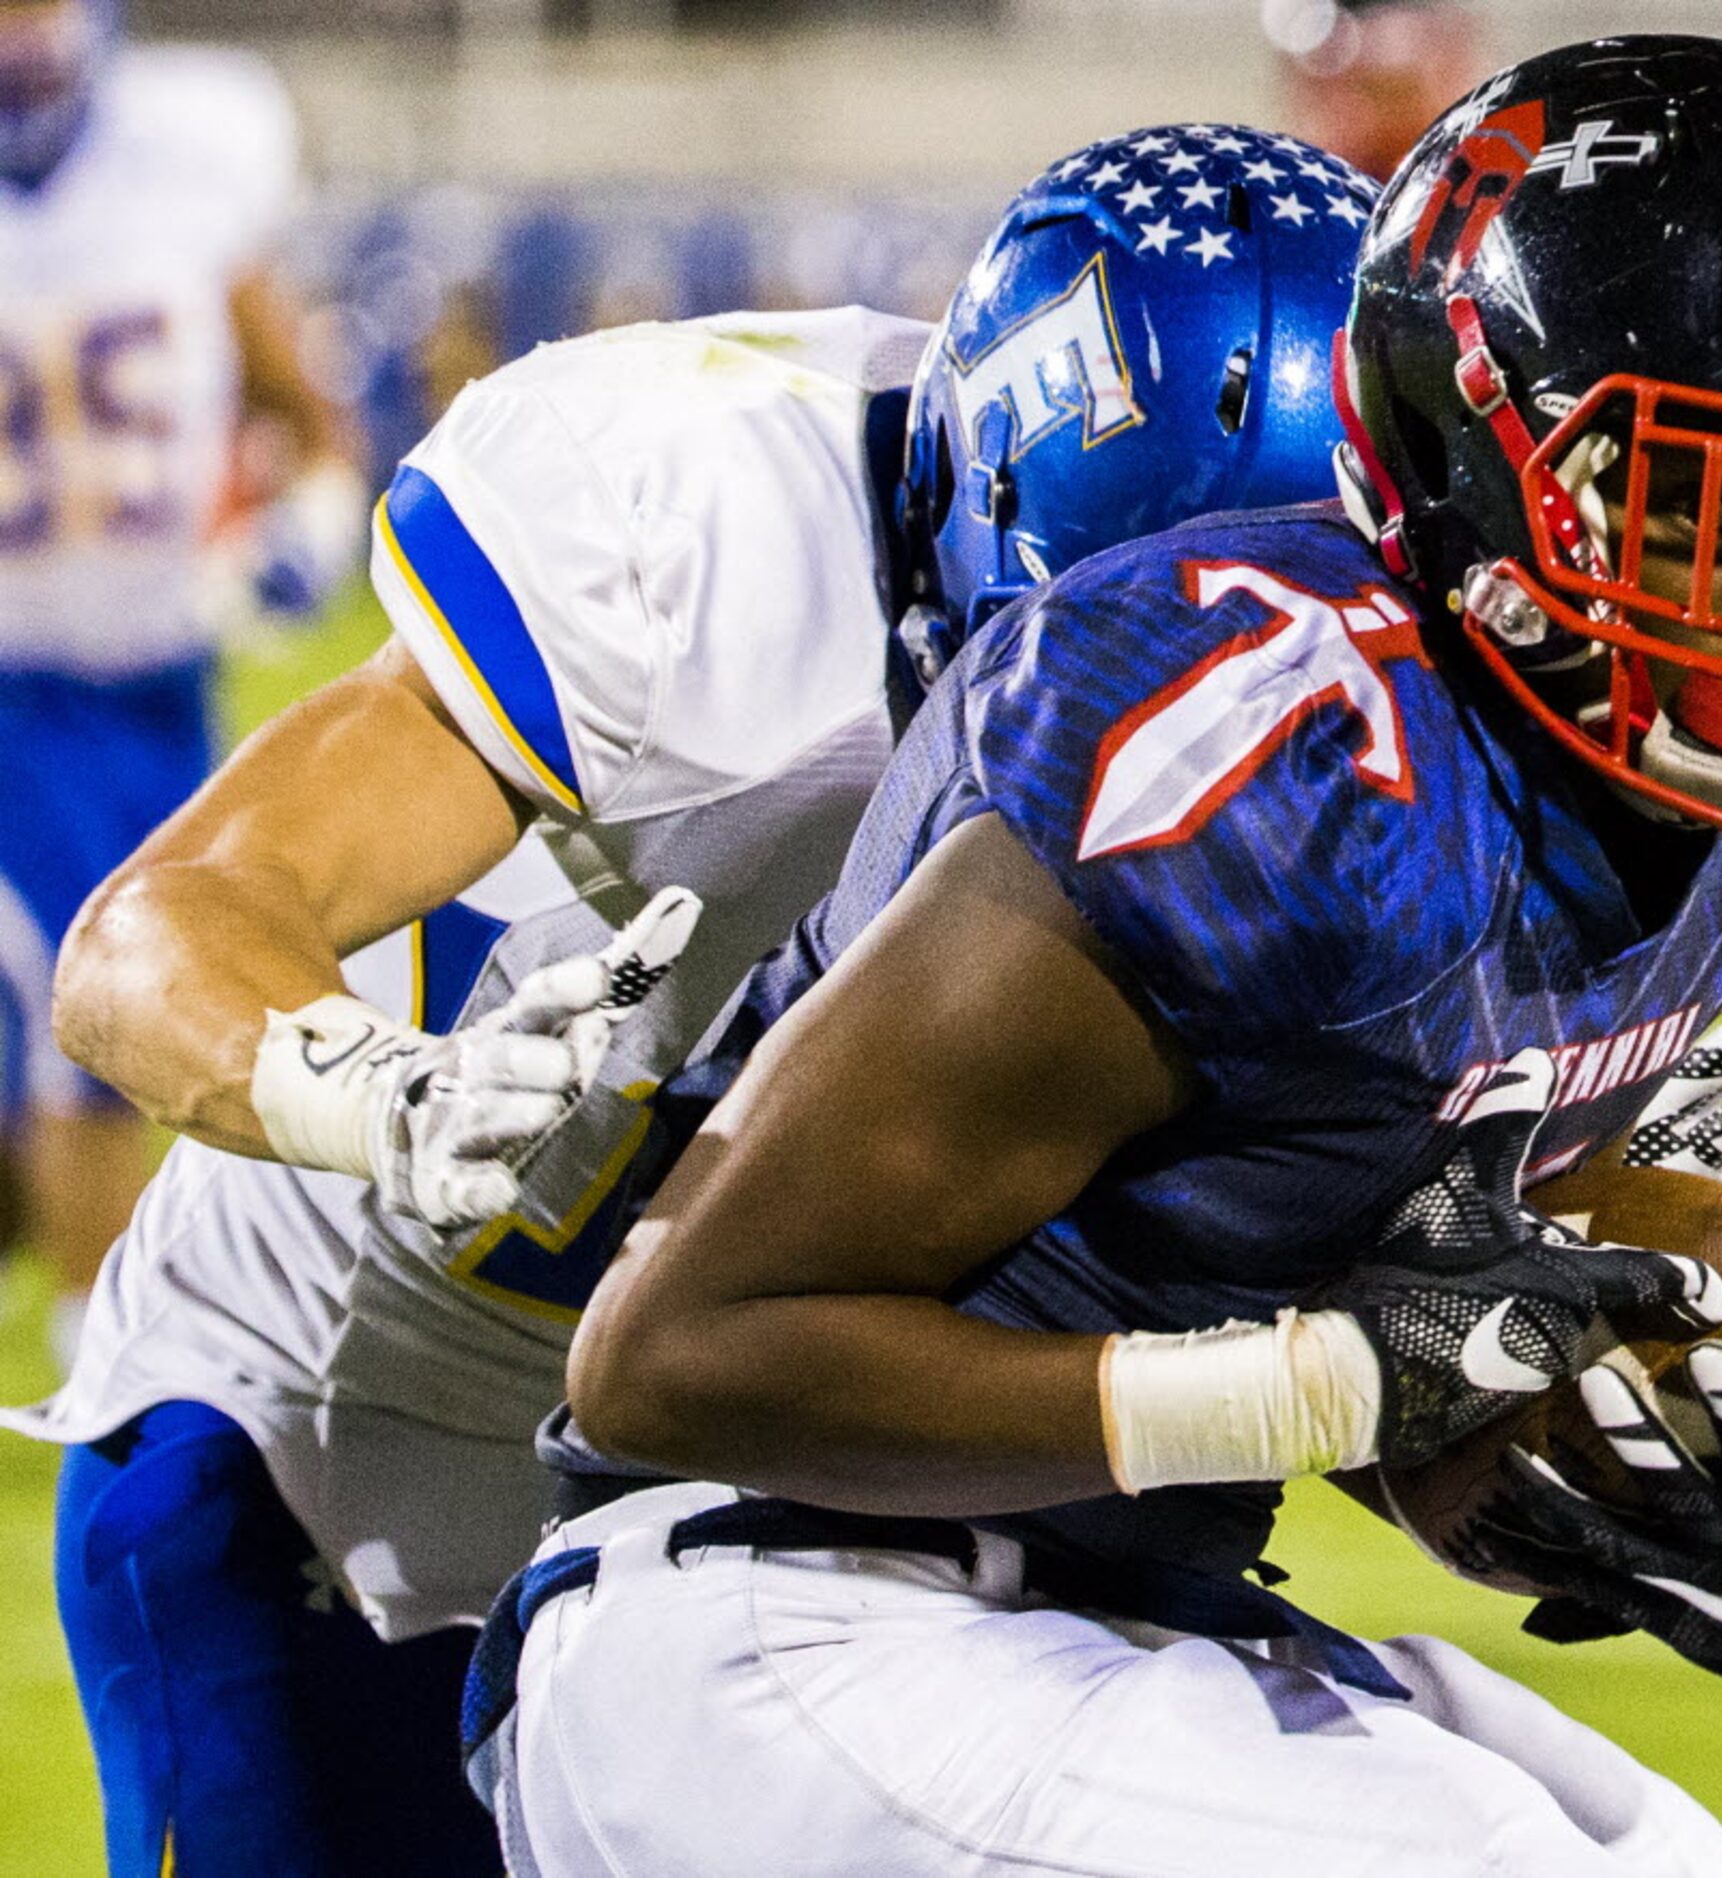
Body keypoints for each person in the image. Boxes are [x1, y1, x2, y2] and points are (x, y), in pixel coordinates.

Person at [475, 39, 1722, 1877]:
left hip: (1112, 1598)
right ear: (1491, 454)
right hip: (766, 1604)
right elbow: (671, 1358)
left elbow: (1327, 1260)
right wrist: (1320, 1389)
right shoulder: (1271, 753)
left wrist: (1667, 1484)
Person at [6, 125, 1373, 1875]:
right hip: (345, 1446)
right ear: (992, 518)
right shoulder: (698, 521)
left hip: (805, 1490)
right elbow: (154, 932)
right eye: (1130, 659)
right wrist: (380, 1093)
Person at [0, 0, 363, 1364]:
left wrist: (300, 537)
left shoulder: (188, 150)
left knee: (128, 996)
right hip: (10, 682)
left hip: (155, 682)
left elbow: (306, 417)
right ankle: (108, 1355)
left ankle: (110, 1330)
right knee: (70, 1007)